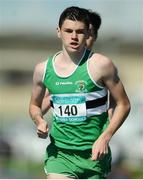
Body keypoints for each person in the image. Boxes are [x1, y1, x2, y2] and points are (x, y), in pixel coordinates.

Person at [29, 6, 130, 179]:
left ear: (88, 34)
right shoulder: (42, 69)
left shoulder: (102, 66)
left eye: (79, 32)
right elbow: (35, 105)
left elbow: (123, 103)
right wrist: (38, 120)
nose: (74, 37)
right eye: (68, 31)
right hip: (60, 154)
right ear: (58, 32)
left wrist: (106, 135)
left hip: (94, 154)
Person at [41, 8, 115, 119]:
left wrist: (107, 131)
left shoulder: (102, 67)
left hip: (95, 133)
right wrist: (38, 118)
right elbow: (45, 101)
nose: (78, 38)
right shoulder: (57, 68)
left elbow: (117, 103)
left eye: (84, 33)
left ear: (93, 36)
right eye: (71, 31)